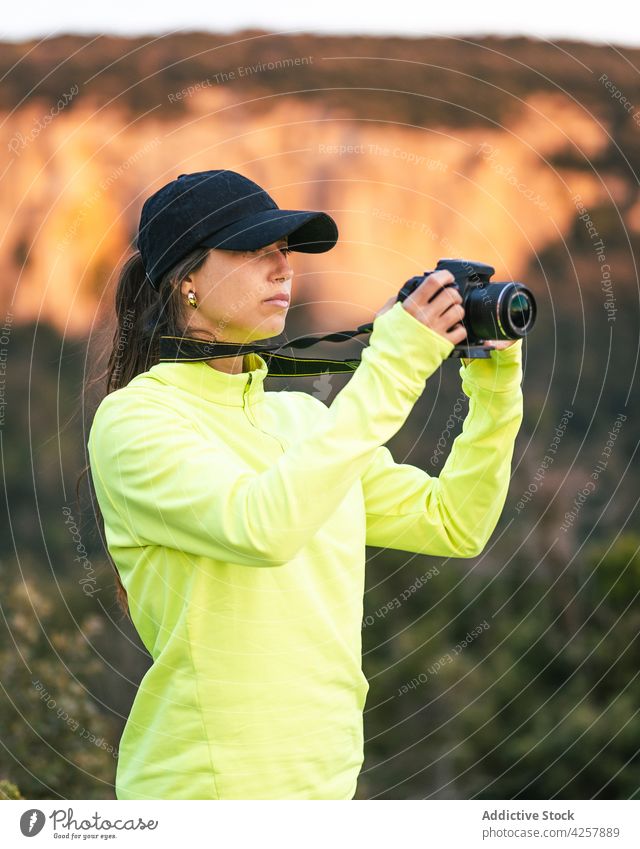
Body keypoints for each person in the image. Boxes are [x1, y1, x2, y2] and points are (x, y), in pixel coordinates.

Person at [86, 169, 524, 800]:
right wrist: (395, 363)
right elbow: (264, 527)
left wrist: (494, 384)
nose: (281, 269)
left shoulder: (302, 419)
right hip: (205, 798)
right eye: (254, 251)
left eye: (285, 253)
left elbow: (455, 522)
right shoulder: (135, 421)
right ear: (186, 280)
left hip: (326, 788)